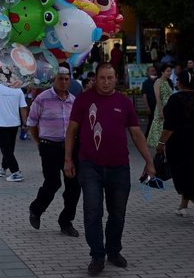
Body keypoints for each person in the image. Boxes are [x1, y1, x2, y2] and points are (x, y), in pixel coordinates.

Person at [64, 63, 155, 276]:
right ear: (95, 78)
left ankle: (113, 250)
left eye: (110, 78)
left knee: (118, 214)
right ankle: (97, 255)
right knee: (92, 211)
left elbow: (136, 134)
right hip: (89, 166)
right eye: (102, 78)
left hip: (119, 167)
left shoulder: (123, 102)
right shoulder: (84, 100)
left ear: (116, 79)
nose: (106, 82)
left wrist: (149, 161)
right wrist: (68, 159)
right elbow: (71, 131)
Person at [26, 66, 80, 237]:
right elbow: (32, 124)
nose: (64, 82)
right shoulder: (42, 99)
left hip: (71, 147)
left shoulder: (74, 100)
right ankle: (36, 209)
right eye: (60, 78)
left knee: (74, 186)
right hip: (49, 147)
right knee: (53, 182)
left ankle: (66, 221)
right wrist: (40, 142)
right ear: (53, 79)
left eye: (66, 79)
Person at [156, 69, 194, 225]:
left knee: (182, 175)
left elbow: (170, 126)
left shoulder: (176, 99)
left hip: (179, 143)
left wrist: (161, 143)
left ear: (179, 82)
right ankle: (183, 206)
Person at [0, 83, 28, 182]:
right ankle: (3, 168)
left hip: (1, 124)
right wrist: (25, 122)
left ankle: (15, 172)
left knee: (6, 149)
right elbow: (23, 108)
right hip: (14, 124)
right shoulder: (18, 90)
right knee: (9, 148)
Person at [147, 64, 174, 148]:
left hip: (169, 108)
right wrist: (161, 111)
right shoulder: (158, 82)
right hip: (161, 108)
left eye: (170, 71)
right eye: (168, 71)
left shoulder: (169, 82)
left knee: (167, 127)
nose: (170, 73)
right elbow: (158, 98)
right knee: (159, 128)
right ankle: (159, 147)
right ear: (162, 72)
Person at [141, 65, 158, 137]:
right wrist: (147, 107)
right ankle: (146, 136)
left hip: (159, 105)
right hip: (151, 105)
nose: (154, 73)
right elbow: (144, 96)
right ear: (147, 73)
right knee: (151, 121)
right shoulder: (146, 83)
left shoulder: (159, 81)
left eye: (154, 71)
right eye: (152, 71)